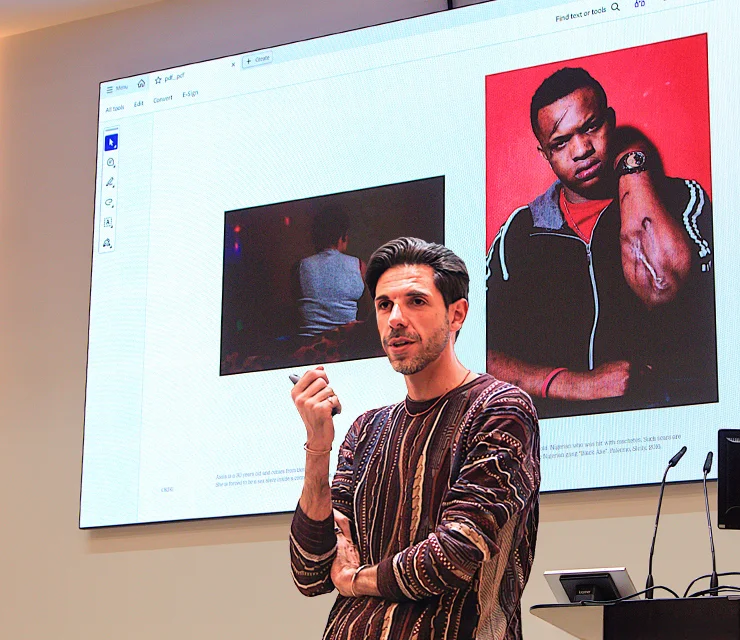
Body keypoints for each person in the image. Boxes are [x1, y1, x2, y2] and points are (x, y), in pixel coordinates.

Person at [289, 237, 541, 640]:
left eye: (416, 302)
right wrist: (318, 446)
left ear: (457, 314)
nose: (395, 319)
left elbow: (454, 555)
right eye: (384, 304)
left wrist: (357, 580)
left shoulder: (499, 410)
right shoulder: (366, 430)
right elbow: (310, 573)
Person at [486, 67, 717, 419]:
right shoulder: (520, 231)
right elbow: (471, 350)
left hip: (667, 432)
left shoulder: (681, 198)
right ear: (544, 154)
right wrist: (576, 384)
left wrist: (633, 168)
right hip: (557, 448)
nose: (581, 150)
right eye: (560, 143)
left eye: (591, 127)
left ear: (611, 121)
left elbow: (664, 286)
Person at [298, 206, 366, 336]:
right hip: (345, 342)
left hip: (308, 344)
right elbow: (367, 311)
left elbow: (297, 309)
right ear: (343, 237)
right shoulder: (359, 266)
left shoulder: (300, 267)